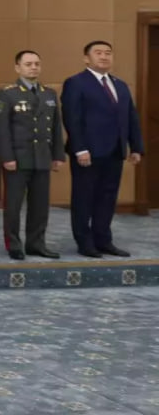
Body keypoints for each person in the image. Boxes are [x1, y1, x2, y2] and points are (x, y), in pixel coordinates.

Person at [61, 40, 143, 258]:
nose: (104, 56)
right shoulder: (76, 83)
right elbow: (72, 118)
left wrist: (136, 147)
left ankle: (103, 240)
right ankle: (84, 242)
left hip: (115, 151)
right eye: (98, 53)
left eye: (108, 53)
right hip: (87, 152)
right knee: (84, 198)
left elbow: (131, 118)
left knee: (107, 198)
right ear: (86, 58)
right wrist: (80, 149)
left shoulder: (120, 85)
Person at [0, 49, 64, 260]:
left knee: (40, 206)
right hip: (18, 158)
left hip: (42, 156)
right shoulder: (7, 93)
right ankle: (14, 244)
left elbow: (56, 127)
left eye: (36, 64)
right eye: (28, 64)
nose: (34, 67)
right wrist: (7, 157)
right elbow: (2, 129)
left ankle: (36, 243)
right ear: (18, 68)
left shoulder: (49, 94)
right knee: (13, 206)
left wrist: (57, 155)